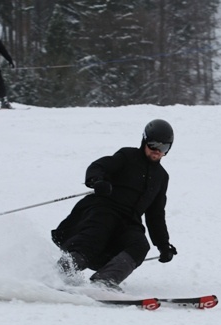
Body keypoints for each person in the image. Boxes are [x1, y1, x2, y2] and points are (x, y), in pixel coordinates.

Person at [51, 119, 178, 291]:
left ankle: (105, 281)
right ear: (144, 141)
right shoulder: (127, 156)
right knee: (94, 236)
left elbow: (155, 214)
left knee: (139, 245)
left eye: (163, 148)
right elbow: (99, 166)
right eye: (153, 145)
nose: (157, 151)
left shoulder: (162, 177)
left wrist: (163, 245)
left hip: (129, 221)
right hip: (104, 208)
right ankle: (59, 274)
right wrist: (97, 181)